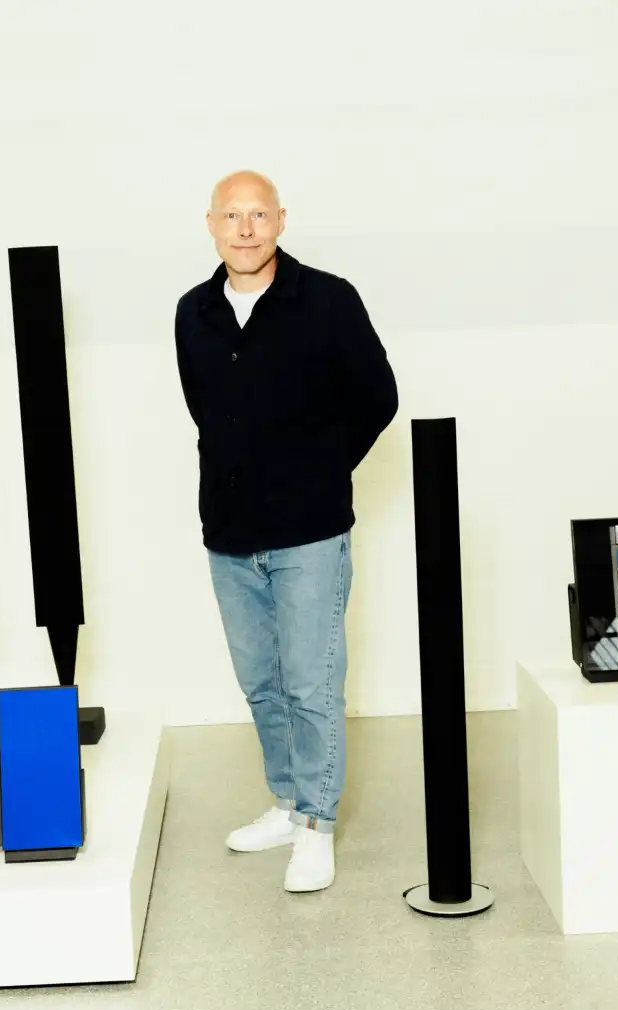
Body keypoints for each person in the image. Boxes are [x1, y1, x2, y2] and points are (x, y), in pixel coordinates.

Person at [175, 171, 398, 893]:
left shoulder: (329, 300)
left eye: (258, 215)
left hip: (309, 531)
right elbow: (206, 410)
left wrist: (319, 470)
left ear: (280, 220)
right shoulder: (193, 311)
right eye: (231, 216)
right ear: (211, 223)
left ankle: (316, 825)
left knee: (311, 684)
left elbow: (378, 397)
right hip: (229, 532)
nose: (245, 229)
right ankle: (286, 800)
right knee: (262, 684)